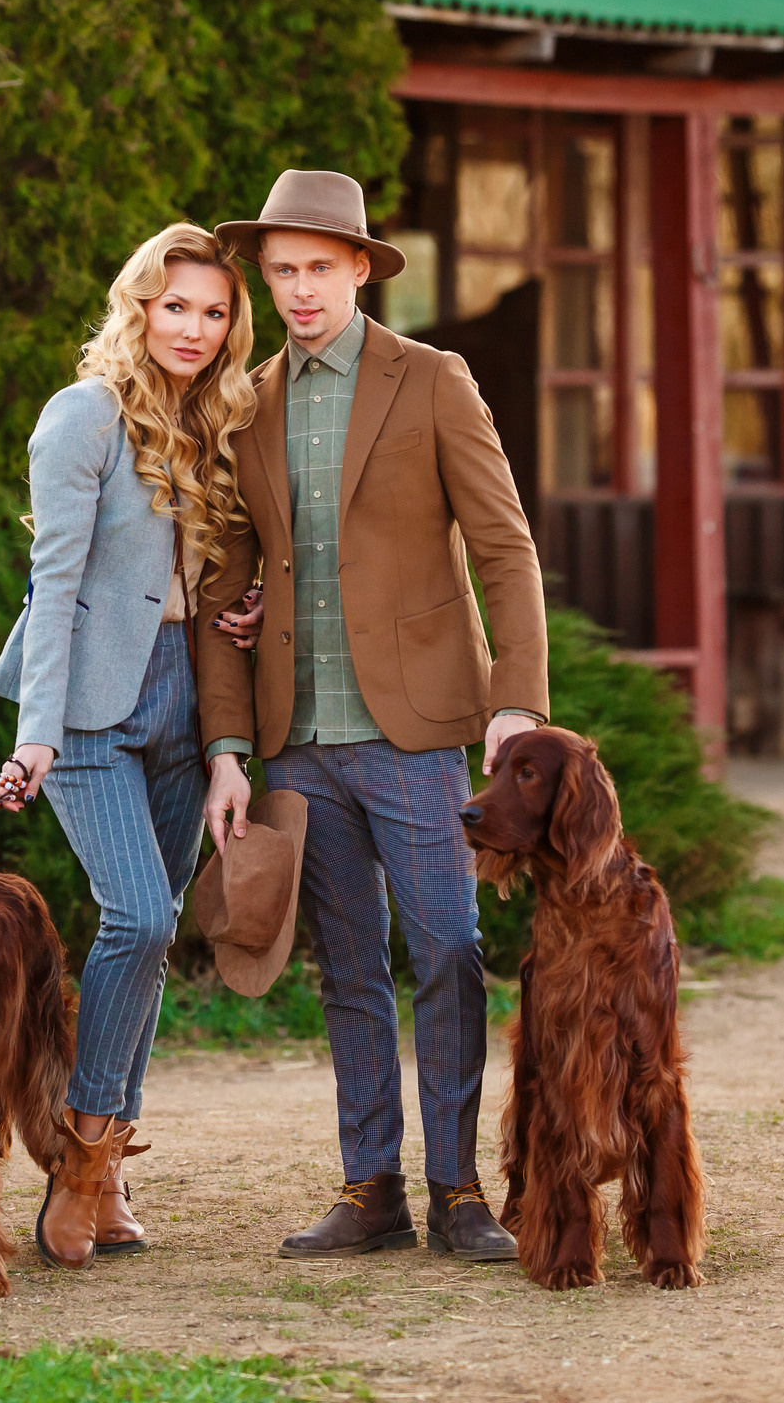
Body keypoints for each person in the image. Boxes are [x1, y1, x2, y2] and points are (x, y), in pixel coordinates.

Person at [195, 169, 550, 1264]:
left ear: (359, 267)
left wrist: (517, 702)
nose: (301, 291)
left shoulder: (433, 380)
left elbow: (503, 544)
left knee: (447, 946)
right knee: (349, 968)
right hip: (299, 737)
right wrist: (226, 744)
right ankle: (371, 1190)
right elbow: (222, 585)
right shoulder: (244, 401)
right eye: (283, 270)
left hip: (417, 730)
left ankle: (458, 1192)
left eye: (320, 268)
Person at [0, 221, 266, 1271]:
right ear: (139, 304)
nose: (193, 327)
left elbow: (226, 570)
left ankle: (103, 1166)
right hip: (93, 708)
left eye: (214, 311)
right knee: (138, 915)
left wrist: (247, 610)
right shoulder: (84, 415)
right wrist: (36, 733)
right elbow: (51, 585)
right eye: (175, 304)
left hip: (188, 705)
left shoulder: (221, 419)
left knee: (151, 940)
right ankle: (82, 1158)